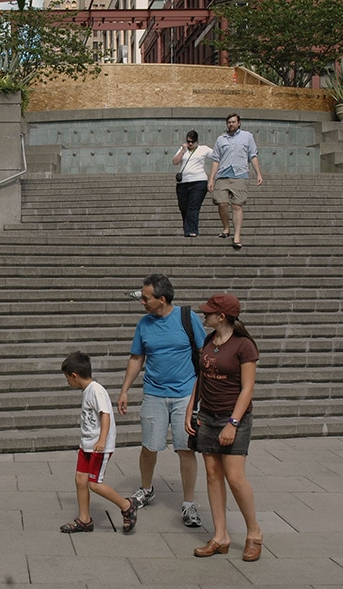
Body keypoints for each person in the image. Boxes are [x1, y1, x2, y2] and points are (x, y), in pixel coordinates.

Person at [116, 273, 206, 528]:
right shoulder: (144, 324)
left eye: (146, 298)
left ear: (162, 299)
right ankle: (146, 489)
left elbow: (204, 354)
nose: (142, 302)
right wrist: (124, 390)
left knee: (185, 449)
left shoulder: (188, 318)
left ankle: (188, 503)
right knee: (149, 446)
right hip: (154, 393)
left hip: (185, 395)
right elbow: (137, 358)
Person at [187, 293, 262, 561]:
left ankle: (254, 533)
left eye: (209, 312)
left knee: (235, 477)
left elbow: (247, 389)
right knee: (212, 474)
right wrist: (191, 409)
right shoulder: (210, 340)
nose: (204, 314)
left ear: (221, 317)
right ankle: (220, 536)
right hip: (207, 415)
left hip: (233, 417)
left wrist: (233, 423)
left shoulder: (244, 345)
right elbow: (201, 377)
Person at [60, 351, 138, 534]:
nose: (67, 382)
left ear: (74, 375)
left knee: (94, 484)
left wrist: (102, 439)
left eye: (67, 378)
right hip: (87, 445)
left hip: (99, 447)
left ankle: (127, 505)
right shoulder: (87, 390)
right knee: (80, 480)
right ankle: (84, 520)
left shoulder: (96, 390)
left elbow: (105, 415)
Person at [207, 113, 263, 250]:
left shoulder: (247, 136)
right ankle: (226, 227)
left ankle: (237, 236)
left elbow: (252, 155)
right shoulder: (221, 139)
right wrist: (211, 179)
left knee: (237, 206)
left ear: (239, 123)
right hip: (222, 175)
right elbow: (216, 159)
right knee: (221, 203)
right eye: (229, 122)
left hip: (240, 174)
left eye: (233, 122)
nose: (231, 124)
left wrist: (258, 174)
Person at [173, 130, 212, 237]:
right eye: (188, 141)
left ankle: (192, 230)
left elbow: (217, 156)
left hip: (199, 181)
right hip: (183, 183)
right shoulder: (183, 149)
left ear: (197, 141)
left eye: (192, 142)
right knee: (183, 207)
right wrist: (182, 150)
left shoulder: (203, 149)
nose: (190, 144)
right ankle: (187, 229)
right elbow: (175, 162)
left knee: (193, 206)